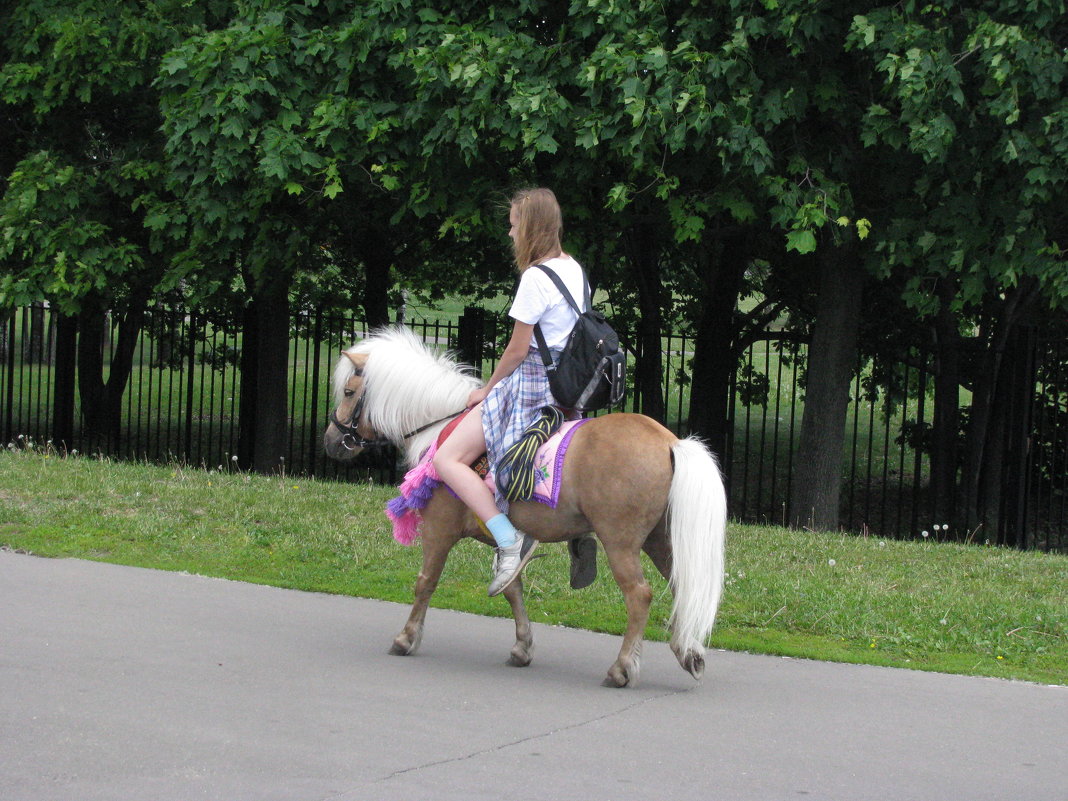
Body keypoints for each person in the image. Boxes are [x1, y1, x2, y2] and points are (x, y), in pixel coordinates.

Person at [433, 187, 588, 596]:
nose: (510, 233)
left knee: (447, 458)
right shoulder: (573, 268)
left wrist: (488, 388)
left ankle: (506, 539)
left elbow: (518, 350)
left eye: (514, 224)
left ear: (532, 227)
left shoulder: (535, 278)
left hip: (533, 386)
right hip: (566, 390)